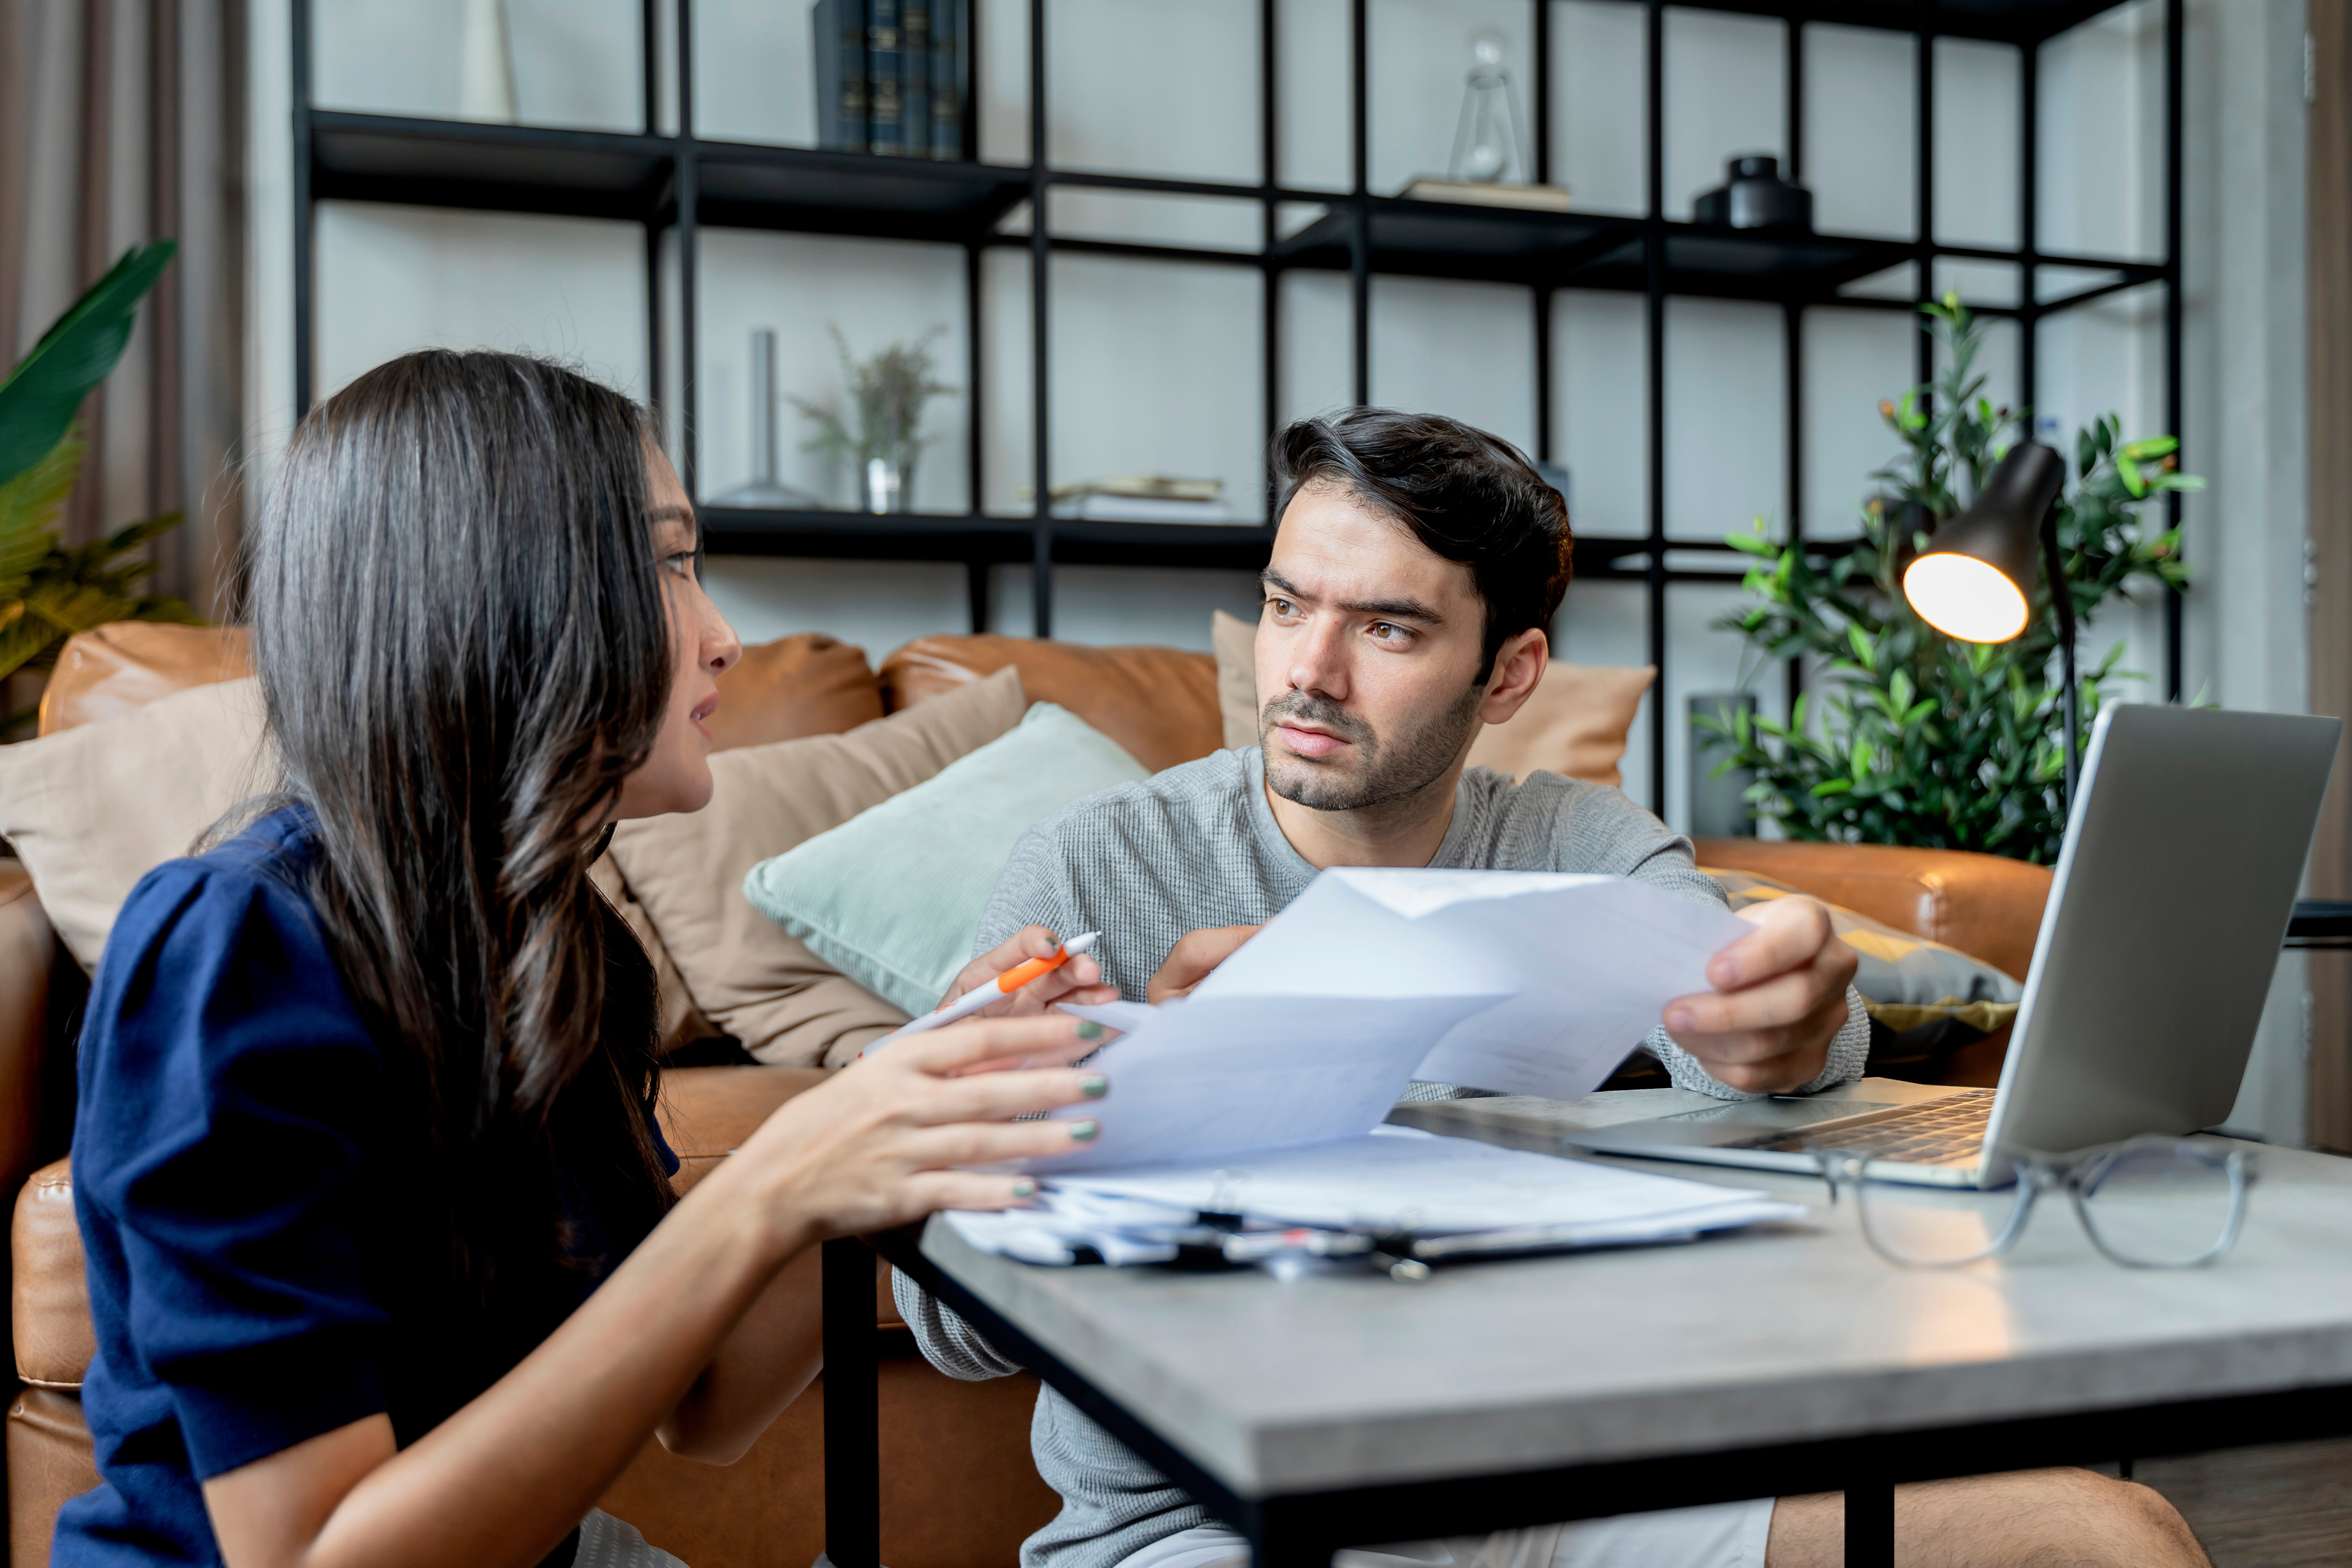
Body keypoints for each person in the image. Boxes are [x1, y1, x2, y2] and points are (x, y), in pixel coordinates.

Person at [892, 409, 2211, 1568]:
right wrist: (1115, 1093)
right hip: (1210, 1520)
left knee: (2103, 1534)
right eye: (1289, 606)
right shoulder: (1095, 862)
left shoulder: (1580, 841)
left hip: (1559, 1492)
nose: (1306, 669)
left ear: (1509, 672)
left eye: (1387, 626)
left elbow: (1759, 1046)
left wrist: (1793, 1021)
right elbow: (943, 1324)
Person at [59, 350, 1111, 1568]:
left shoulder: (565, 949)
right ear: (505, 592)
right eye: (668, 564)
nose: (723, 638)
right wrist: (776, 1176)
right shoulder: (233, 951)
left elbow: (709, 1400)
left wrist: (913, 1098)